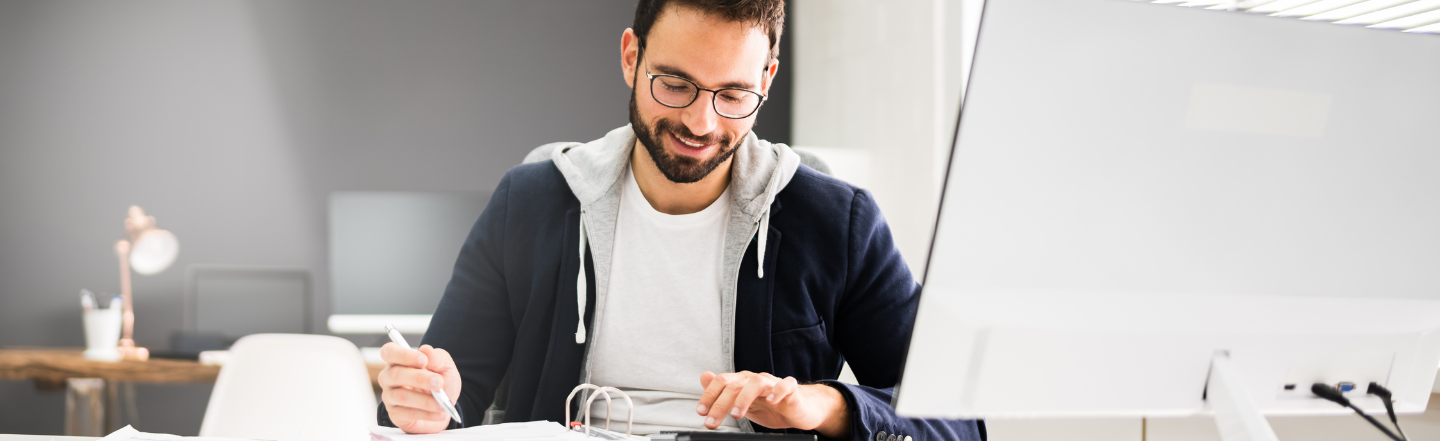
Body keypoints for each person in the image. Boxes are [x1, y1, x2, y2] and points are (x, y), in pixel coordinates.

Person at [375, 1, 983, 440]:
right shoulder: (530, 203)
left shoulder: (837, 222)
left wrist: (823, 408)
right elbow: (441, 402)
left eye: (733, 94)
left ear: (766, 78)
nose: (701, 122)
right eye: (676, 85)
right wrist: (422, 403)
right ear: (631, 57)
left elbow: (958, 418)